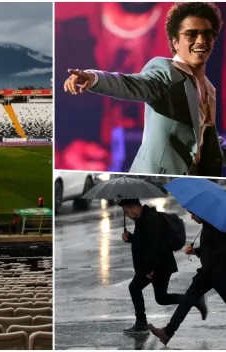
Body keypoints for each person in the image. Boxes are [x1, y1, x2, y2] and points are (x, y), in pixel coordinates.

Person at [64, 2, 225, 177]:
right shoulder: (166, 70)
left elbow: (204, 143)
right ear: (175, 42)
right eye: (191, 35)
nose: (201, 40)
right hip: (154, 181)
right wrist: (94, 78)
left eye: (207, 35)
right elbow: (134, 84)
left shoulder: (209, 89)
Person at [118, 199, 207, 333]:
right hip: (156, 264)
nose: (127, 215)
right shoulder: (142, 219)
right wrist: (131, 238)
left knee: (136, 288)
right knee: (161, 298)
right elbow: (144, 241)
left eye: (127, 211)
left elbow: (154, 246)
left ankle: (141, 322)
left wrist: (149, 270)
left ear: (134, 208)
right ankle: (193, 299)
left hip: (159, 265)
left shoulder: (151, 220)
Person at [149, 211, 226, 346]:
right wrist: (196, 251)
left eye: (194, 214)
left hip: (218, 274)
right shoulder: (209, 226)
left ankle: (167, 332)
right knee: (187, 300)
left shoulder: (217, 227)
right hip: (207, 274)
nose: (191, 217)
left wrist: (209, 266)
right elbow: (209, 249)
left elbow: (221, 251)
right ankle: (167, 332)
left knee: (187, 300)